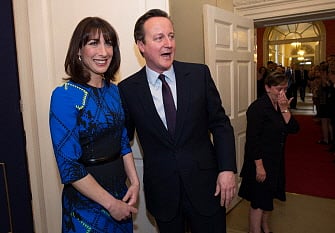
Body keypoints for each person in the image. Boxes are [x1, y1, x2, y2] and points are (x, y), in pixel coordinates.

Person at [118, 9, 237, 233]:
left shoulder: (198, 75)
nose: (168, 44)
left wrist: (227, 169)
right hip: (163, 194)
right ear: (141, 45)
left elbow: (221, 125)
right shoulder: (128, 90)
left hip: (207, 188)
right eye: (159, 37)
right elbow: (122, 140)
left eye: (171, 36)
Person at [49, 17, 139, 233]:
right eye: (93, 43)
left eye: (108, 43)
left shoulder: (114, 91)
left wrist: (135, 183)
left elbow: (123, 141)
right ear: (78, 50)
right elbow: (69, 167)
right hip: (86, 207)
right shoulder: (64, 96)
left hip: (120, 195)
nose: (104, 51)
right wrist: (110, 204)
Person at [238, 71, 299, 233]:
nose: (283, 93)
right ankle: (254, 230)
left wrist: (285, 109)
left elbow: (294, 129)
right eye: (279, 89)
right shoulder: (257, 108)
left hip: (275, 161)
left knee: (268, 198)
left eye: (285, 89)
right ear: (267, 88)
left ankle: (265, 227)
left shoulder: (280, 106)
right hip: (260, 162)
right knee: (258, 202)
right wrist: (259, 166)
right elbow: (252, 141)